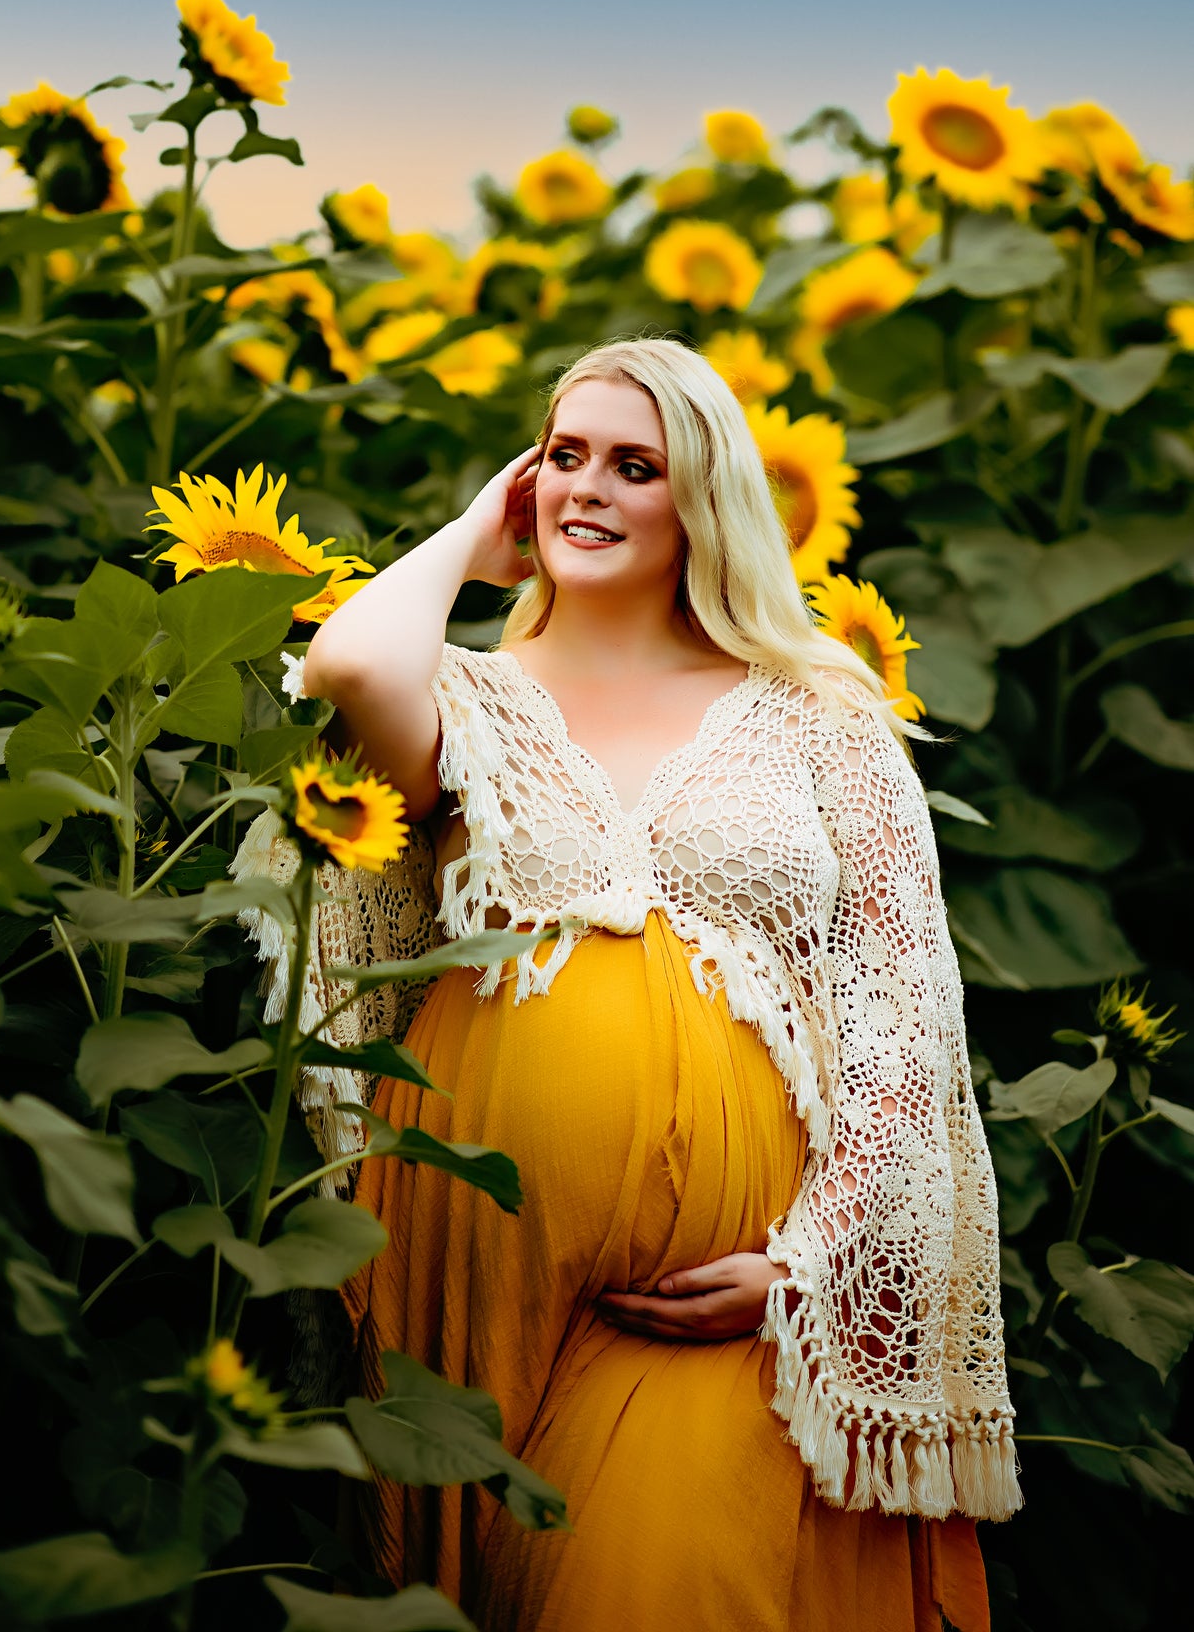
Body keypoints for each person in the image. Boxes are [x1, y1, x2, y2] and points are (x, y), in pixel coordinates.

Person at [258, 336, 1017, 1632]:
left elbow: (895, 1022)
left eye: (634, 465)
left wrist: (807, 1264)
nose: (586, 489)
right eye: (562, 458)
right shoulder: (470, 702)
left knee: (654, 1591)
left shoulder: (818, 714)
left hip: (724, 1300)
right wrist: (469, 535)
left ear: (705, 500)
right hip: (472, 1271)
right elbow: (345, 665)